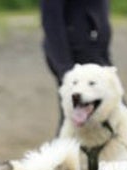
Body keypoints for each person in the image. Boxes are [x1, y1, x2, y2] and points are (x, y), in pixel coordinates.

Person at [40, 0, 111, 130]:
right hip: (74, 60)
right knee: (73, 125)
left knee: (114, 117)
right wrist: (66, 70)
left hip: (97, 56)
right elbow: (51, 22)